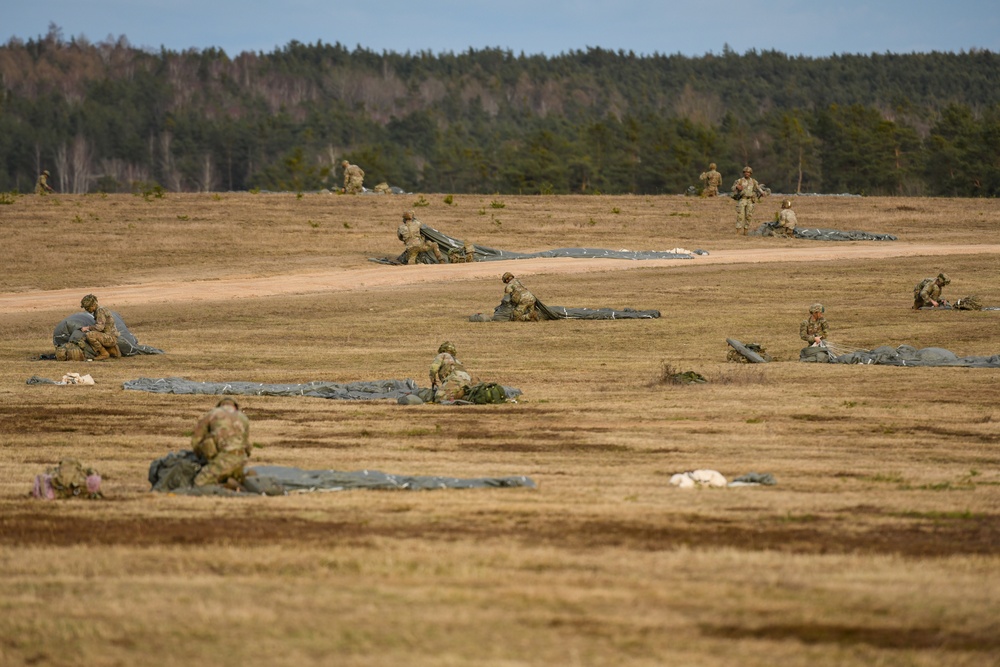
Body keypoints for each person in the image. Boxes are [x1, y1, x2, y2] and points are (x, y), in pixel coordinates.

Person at [191, 398, 252, 487]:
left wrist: (201, 456)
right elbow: (246, 444)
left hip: (223, 460)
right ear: (235, 406)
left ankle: (229, 487)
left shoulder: (213, 414)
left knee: (199, 484)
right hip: (242, 461)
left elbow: (196, 440)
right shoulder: (243, 417)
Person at [79, 294, 121, 361]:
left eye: (87, 308)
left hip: (110, 338)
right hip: (112, 336)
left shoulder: (100, 311)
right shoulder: (101, 309)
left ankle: (103, 353)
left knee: (90, 335)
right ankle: (112, 350)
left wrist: (88, 328)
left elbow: (99, 327)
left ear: (93, 305)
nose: (87, 310)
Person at [731, 166, 766, 235]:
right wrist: (737, 187)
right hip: (742, 199)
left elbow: (758, 188)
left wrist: (762, 192)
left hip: (750, 200)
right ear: (743, 173)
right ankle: (738, 231)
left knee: (749, 216)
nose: (747, 173)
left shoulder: (753, 181)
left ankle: (746, 231)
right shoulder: (740, 181)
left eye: (748, 172)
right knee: (740, 216)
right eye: (745, 172)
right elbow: (732, 188)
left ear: (750, 173)